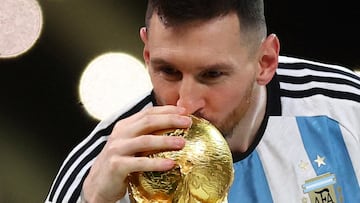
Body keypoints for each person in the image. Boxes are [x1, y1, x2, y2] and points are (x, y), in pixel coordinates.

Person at [45, 0, 360, 202]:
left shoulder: (347, 112)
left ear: (265, 62)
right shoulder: (100, 168)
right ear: (147, 54)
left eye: (212, 74)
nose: (186, 103)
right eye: (168, 71)